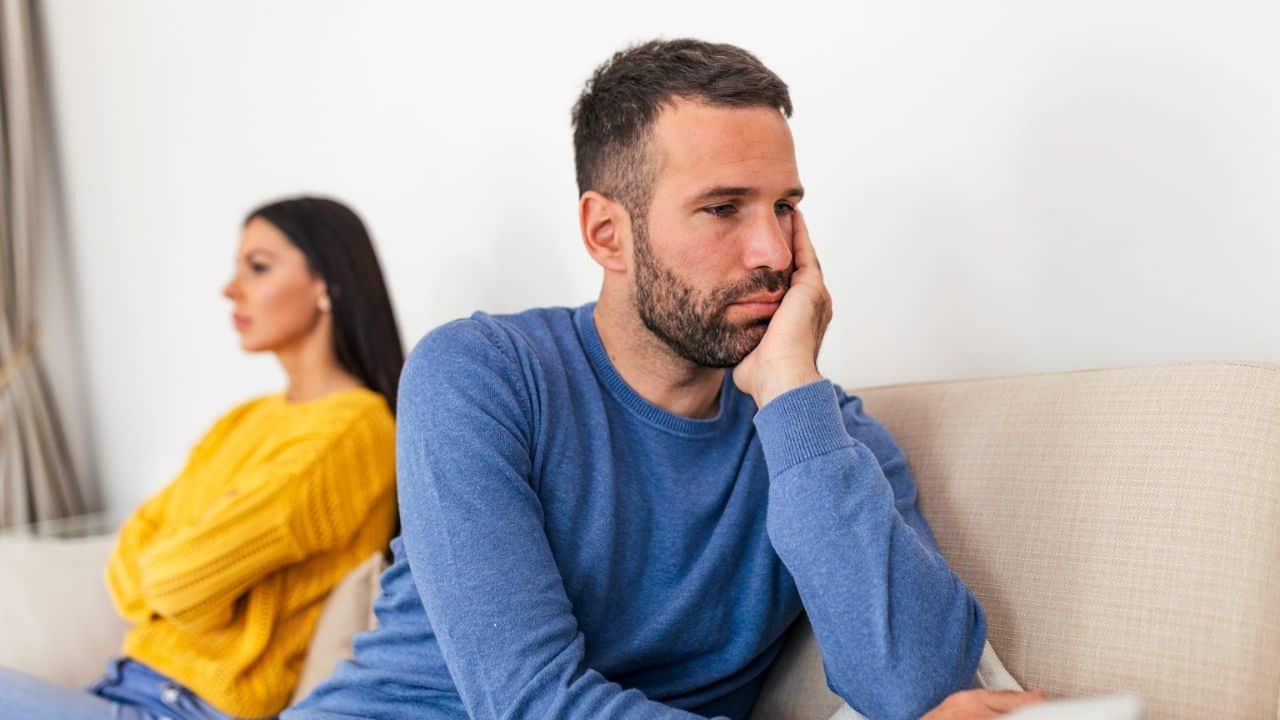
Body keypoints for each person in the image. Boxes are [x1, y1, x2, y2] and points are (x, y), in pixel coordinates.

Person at [288, 41, 1045, 720]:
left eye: (785, 208)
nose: (772, 252)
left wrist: (790, 394)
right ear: (606, 234)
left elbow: (921, 693)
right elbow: (526, 702)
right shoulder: (481, 373)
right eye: (723, 209)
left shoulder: (819, 434)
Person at [0, 196, 404, 720]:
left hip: (185, 709)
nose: (229, 289)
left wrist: (182, 555)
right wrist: (186, 560)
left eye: (257, 268)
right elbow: (127, 561)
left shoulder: (356, 429)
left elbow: (177, 583)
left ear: (326, 283)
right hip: (120, 688)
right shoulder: (244, 421)